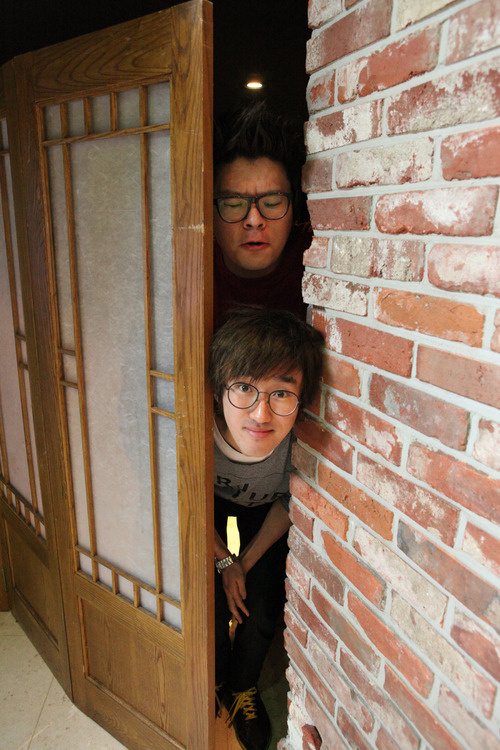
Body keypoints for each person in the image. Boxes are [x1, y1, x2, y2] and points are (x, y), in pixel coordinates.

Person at [209, 306, 324, 750]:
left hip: (267, 511)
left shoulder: (301, 439)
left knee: (262, 604)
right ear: (219, 388)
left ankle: (242, 686)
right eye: (243, 387)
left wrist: (243, 562)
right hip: (208, 506)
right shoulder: (197, 427)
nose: (260, 414)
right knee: (208, 602)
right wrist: (224, 561)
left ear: (301, 397)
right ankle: (214, 675)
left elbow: (288, 502)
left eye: (281, 393)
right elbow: (184, 496)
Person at [213, 101, 312, 330]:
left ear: (294, 206)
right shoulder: (191, 271)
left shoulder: (319, 254)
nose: (254, 220)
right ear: (210, 213)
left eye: (272, 202)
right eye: (234, 204)